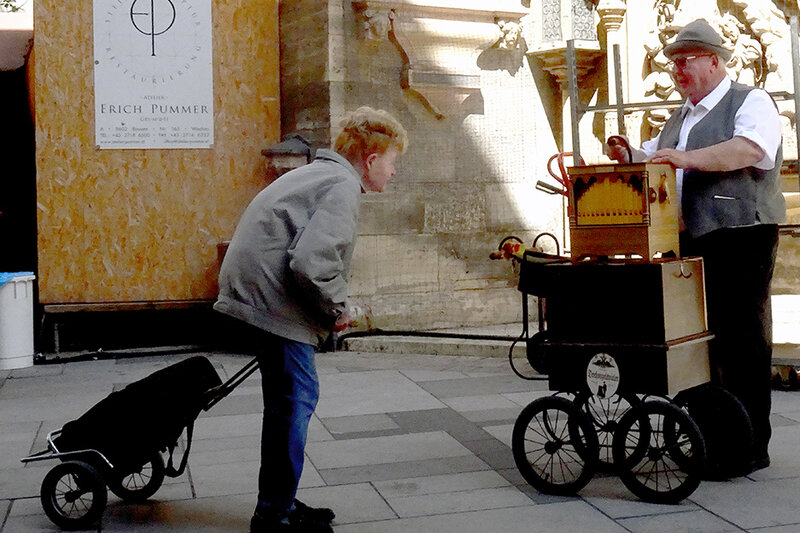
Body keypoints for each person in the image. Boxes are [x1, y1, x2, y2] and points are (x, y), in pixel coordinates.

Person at [605, 19, 785, 477]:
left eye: (684, 61)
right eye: (673, 63)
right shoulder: (680, 116)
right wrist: (630, 154)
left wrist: (686, 159)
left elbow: (750, 149)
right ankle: (709, 438)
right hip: (690, 239)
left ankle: (748, 447)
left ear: (714, 61)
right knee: (699, 341)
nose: (676, 70)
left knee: (741, 339)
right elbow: (656, 154)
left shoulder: (750, 100)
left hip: (740, 234)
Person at [214, 107, 408, 532]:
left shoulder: (320, 174)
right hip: (272, 301)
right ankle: (273, 515)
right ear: (371, 160)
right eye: (393, 162)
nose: (394, 172)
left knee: (285, 404)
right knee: (294, 401)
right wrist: (338, 310)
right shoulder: (342, 185)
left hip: (259, 293)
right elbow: (311, 263)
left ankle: (279, 501)